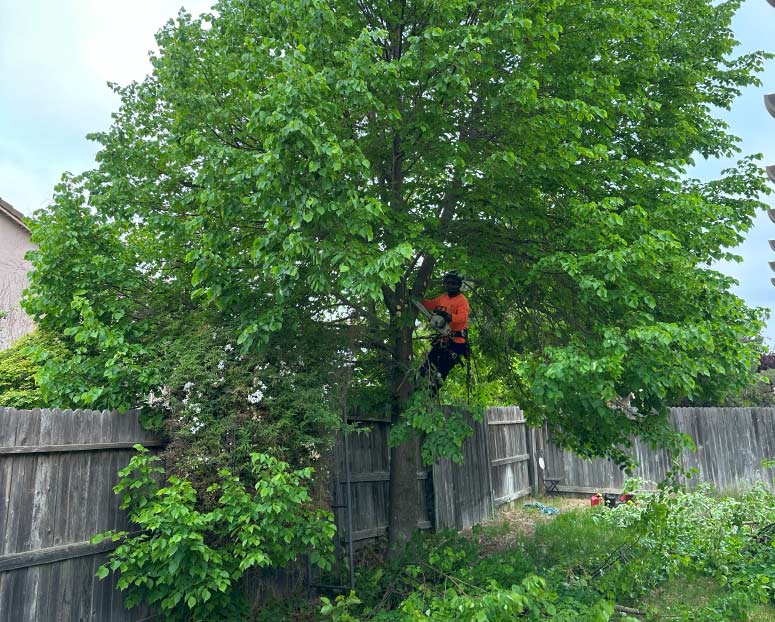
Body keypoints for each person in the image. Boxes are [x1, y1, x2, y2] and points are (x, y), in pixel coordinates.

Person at [419, 271, 470, 393]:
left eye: (453, 283)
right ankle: (417, 386)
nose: (450, 286)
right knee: (427, 365)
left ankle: (432, 393)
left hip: (456, 342)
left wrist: (449, 316)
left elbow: (463, 317)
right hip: (442, 340)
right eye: (448, 283)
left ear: (458, 285)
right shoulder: (443, 298)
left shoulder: (462, 300)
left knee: (441, 370)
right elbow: (430, 304)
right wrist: (417, 298)